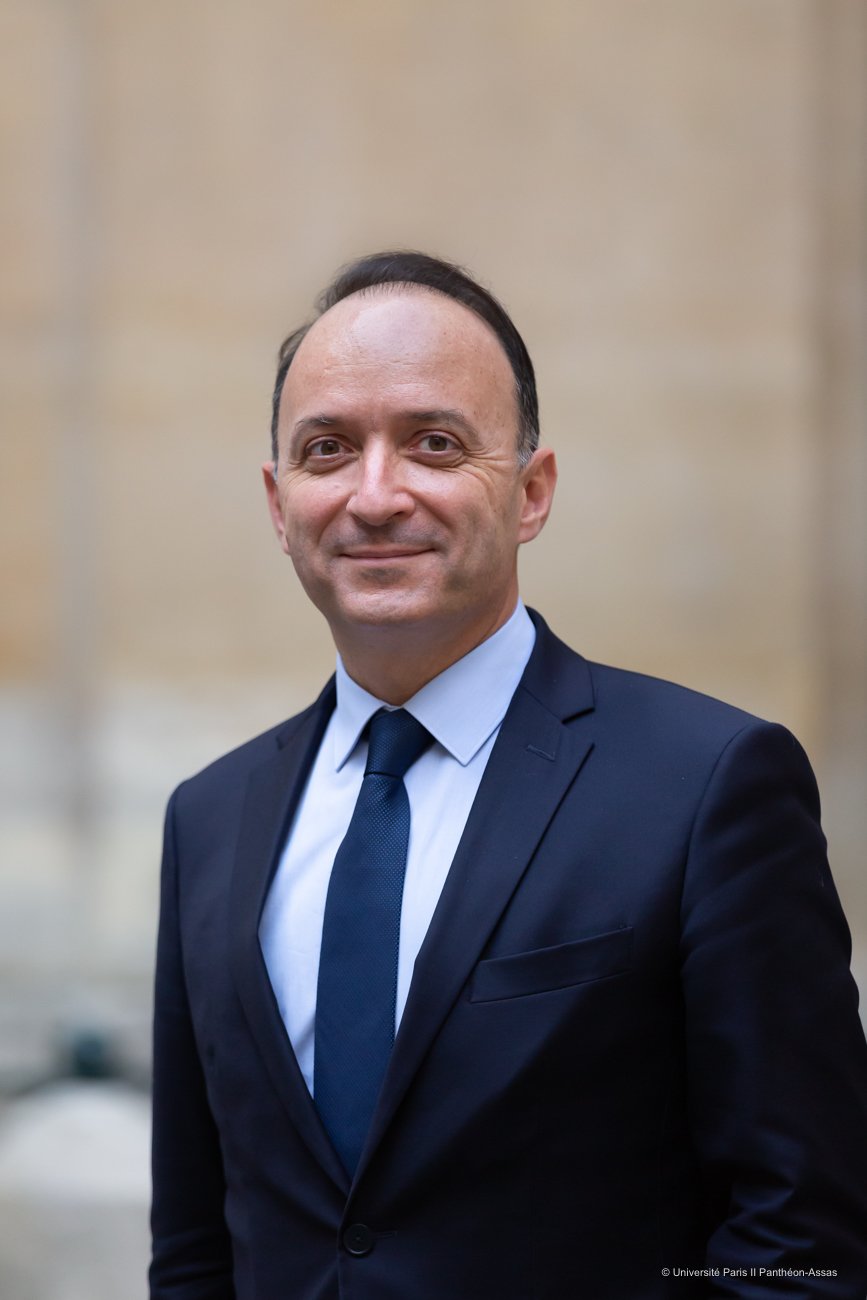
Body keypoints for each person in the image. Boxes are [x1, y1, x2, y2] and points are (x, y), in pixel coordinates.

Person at [149, 251, 867, 1299]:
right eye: (327, 449)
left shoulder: (706, 786)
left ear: (531, 492)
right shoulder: (208, 819)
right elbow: (196, 1248)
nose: (375, 495)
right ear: (278, 501)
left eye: (434, 443)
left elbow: (800, 1244)